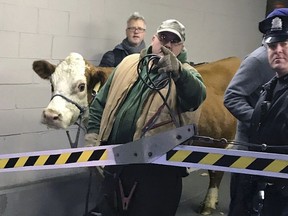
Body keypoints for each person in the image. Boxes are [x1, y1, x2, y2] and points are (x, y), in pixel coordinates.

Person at [85, 19, 206, 216]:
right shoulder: (128, 63)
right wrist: (92, 134)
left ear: (181, 47)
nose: (167, 44)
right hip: (116, 163)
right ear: (153, 39)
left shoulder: (187, 74)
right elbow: (101, 102)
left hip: (157, 172)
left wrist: (179, 72)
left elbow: (196, 96)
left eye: (174, 41)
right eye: (163, 37)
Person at [225, 8, 288, 215]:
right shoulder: (258, 60)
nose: (278, 49)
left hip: (275, 163)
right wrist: (259, 120)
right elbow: (232, 96)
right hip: (251, 150)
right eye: (273, 44)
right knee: (243, 206)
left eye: (284, 43)